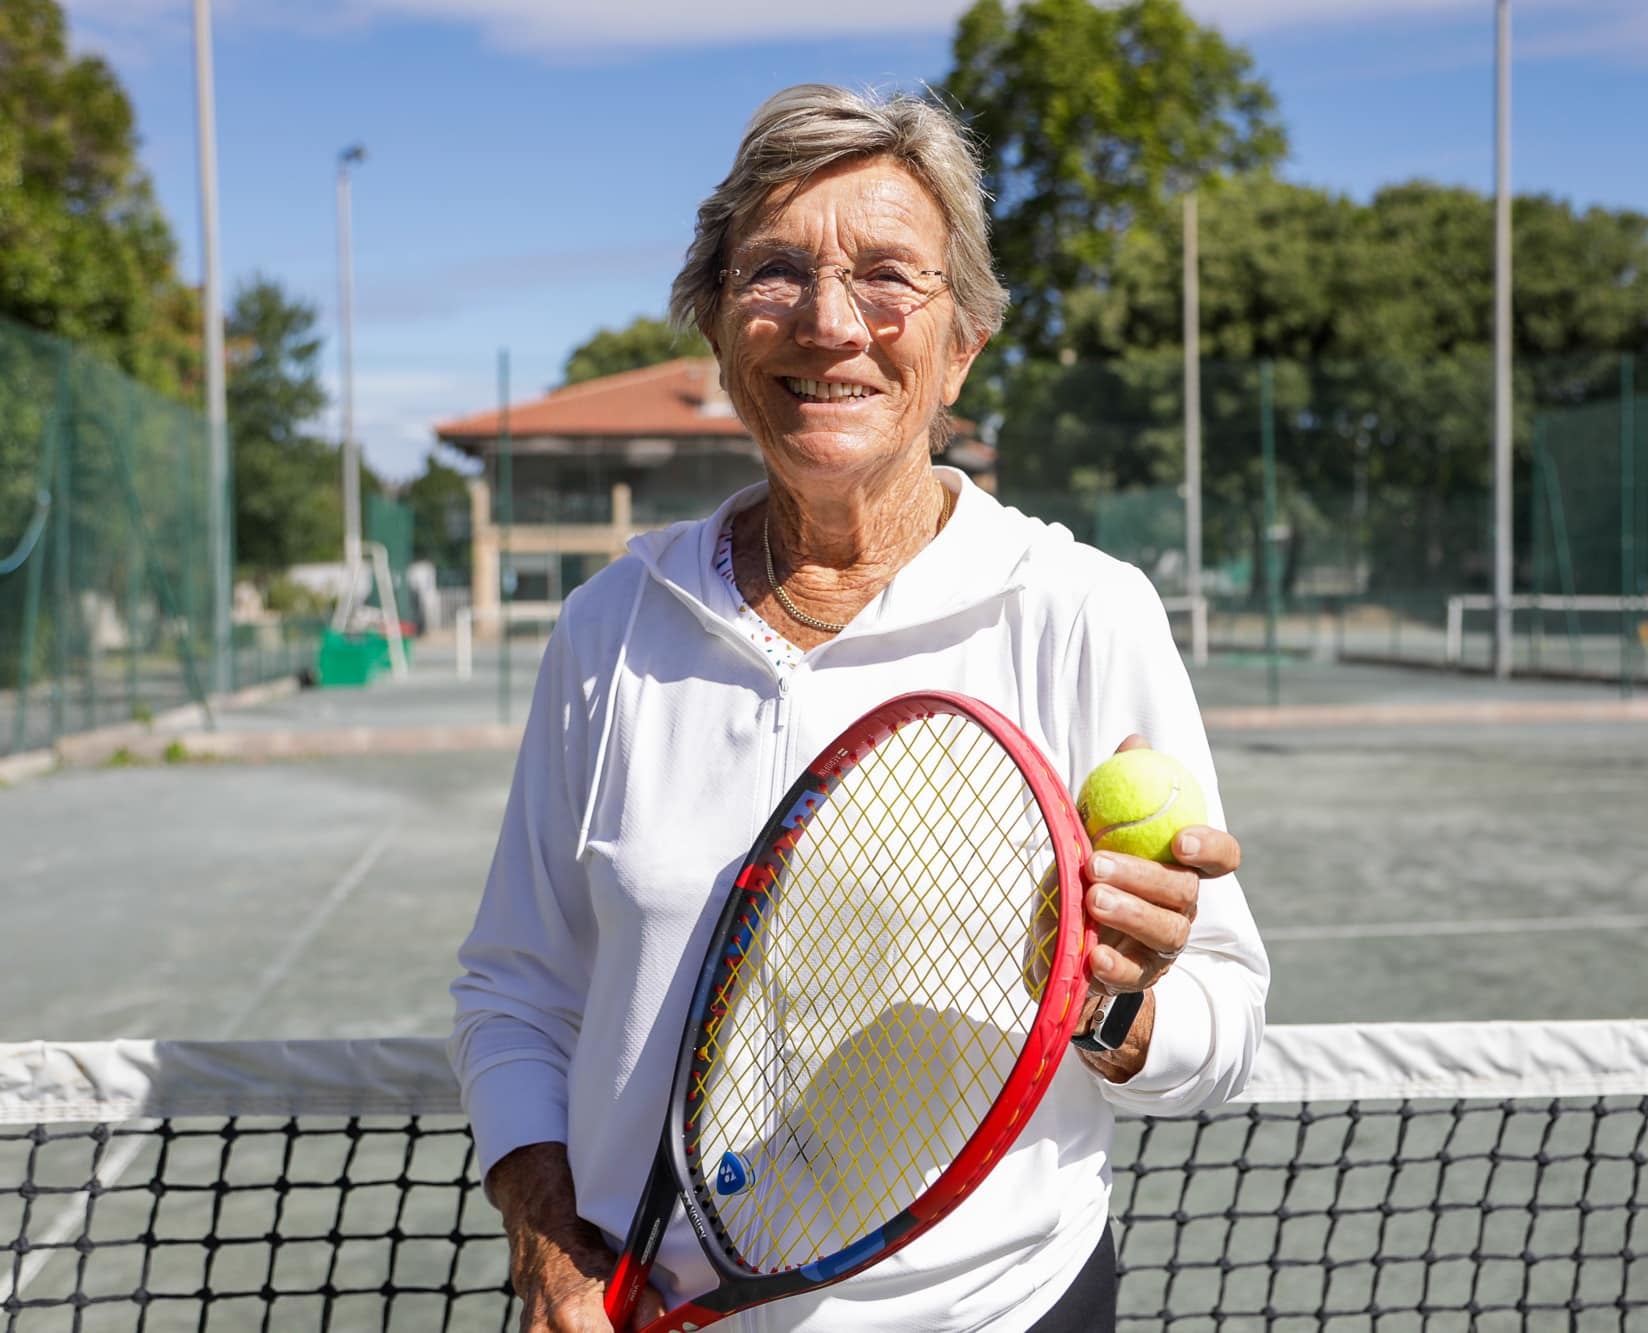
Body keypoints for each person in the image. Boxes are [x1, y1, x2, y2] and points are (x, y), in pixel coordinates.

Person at [450, 84, 1269, 1333]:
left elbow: (1221, 1025)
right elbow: (516, 991)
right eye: (773, 271)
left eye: (889, 275)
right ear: (721, 331)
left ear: (962, 343)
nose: (830, 322)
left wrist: (1113, 995)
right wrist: (550, 1242)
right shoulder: (606, 627)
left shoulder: (1080, 611)